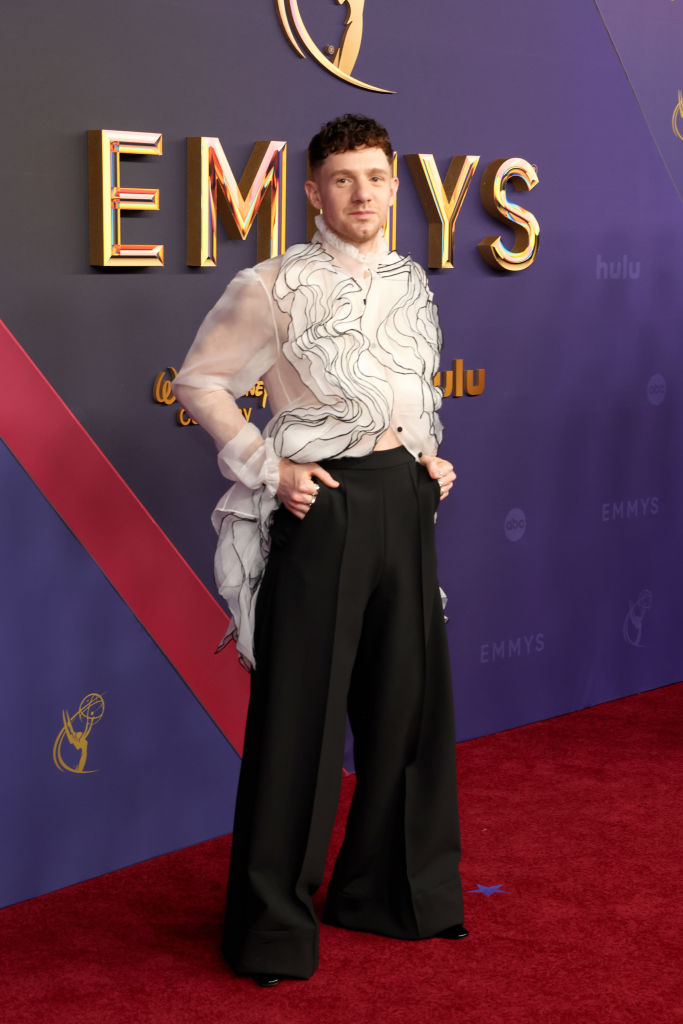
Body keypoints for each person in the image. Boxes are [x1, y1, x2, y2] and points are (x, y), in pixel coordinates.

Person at [173, 114, 467, 987]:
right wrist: (270, 467)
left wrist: (425, 452)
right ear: (313, 192)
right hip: (322, 503)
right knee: (298, 719)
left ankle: (394, 895)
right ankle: (270, 928)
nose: (363, 195)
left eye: (375, 178)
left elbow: (411, 378)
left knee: (406, 711)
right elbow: (200, 380)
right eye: (342, 179)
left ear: (391, 186)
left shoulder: (413, 282)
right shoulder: (270, 284)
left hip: (403, 501)